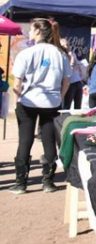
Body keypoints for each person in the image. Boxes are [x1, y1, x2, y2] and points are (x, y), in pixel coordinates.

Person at [10, 18, 71, 194]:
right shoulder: (60, 54)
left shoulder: (26, 53)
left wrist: (19, 97)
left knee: (25, 141)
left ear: (38, 31)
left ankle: (21, 183)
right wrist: (59, 97)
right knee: (49, 141)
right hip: (52, 103)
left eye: (31, 29)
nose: (29, 32)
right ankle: (48, 182)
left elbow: (17, 84)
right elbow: (66, 81)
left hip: (28, 102)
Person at [60, 38, 86, 110]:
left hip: (78, 81)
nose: (66, 46)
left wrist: (79, 65)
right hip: (69, 83)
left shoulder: (72, 53)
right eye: (64, 45)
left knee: (78, 106)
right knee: (67, 105)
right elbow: (66, 71)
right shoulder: (61, 55)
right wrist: (71, 62)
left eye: (67, 44)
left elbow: (77, 65)